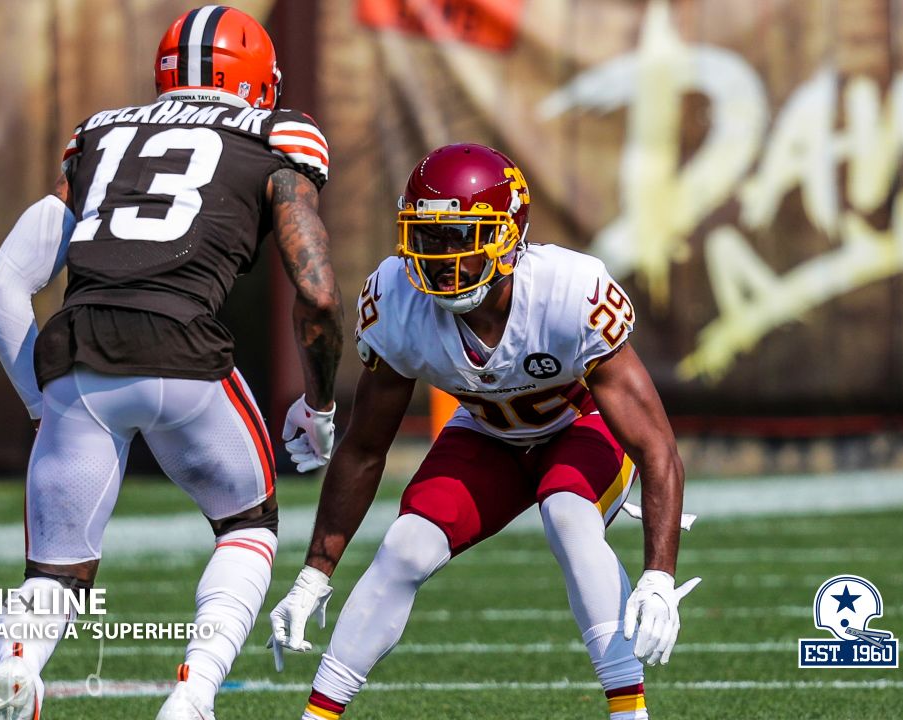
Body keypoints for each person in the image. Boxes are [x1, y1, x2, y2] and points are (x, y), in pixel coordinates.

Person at [0, 6, 343, 719]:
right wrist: (320, 405)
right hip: (183, 348)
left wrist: (38, 401)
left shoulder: (102, 133)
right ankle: (194, 692)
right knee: (247, 526)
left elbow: (0, 288)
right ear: (256, 82)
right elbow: (320, 295)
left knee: (56, 567)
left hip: (79, 351)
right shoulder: (278, 134)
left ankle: (18, 666)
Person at [267, 143, 699, 720]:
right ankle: (317, 716)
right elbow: (366, 448)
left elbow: (655, 445)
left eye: (459, 237)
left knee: (569, 514)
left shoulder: (569, 291)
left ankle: (629, 715)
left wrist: (658, 576)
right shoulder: (396, 299)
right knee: (404, 546)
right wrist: (313, 576)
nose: (439, 257)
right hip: (488, 433)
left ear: (507, 237)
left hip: (579, 426)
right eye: (427, 237)